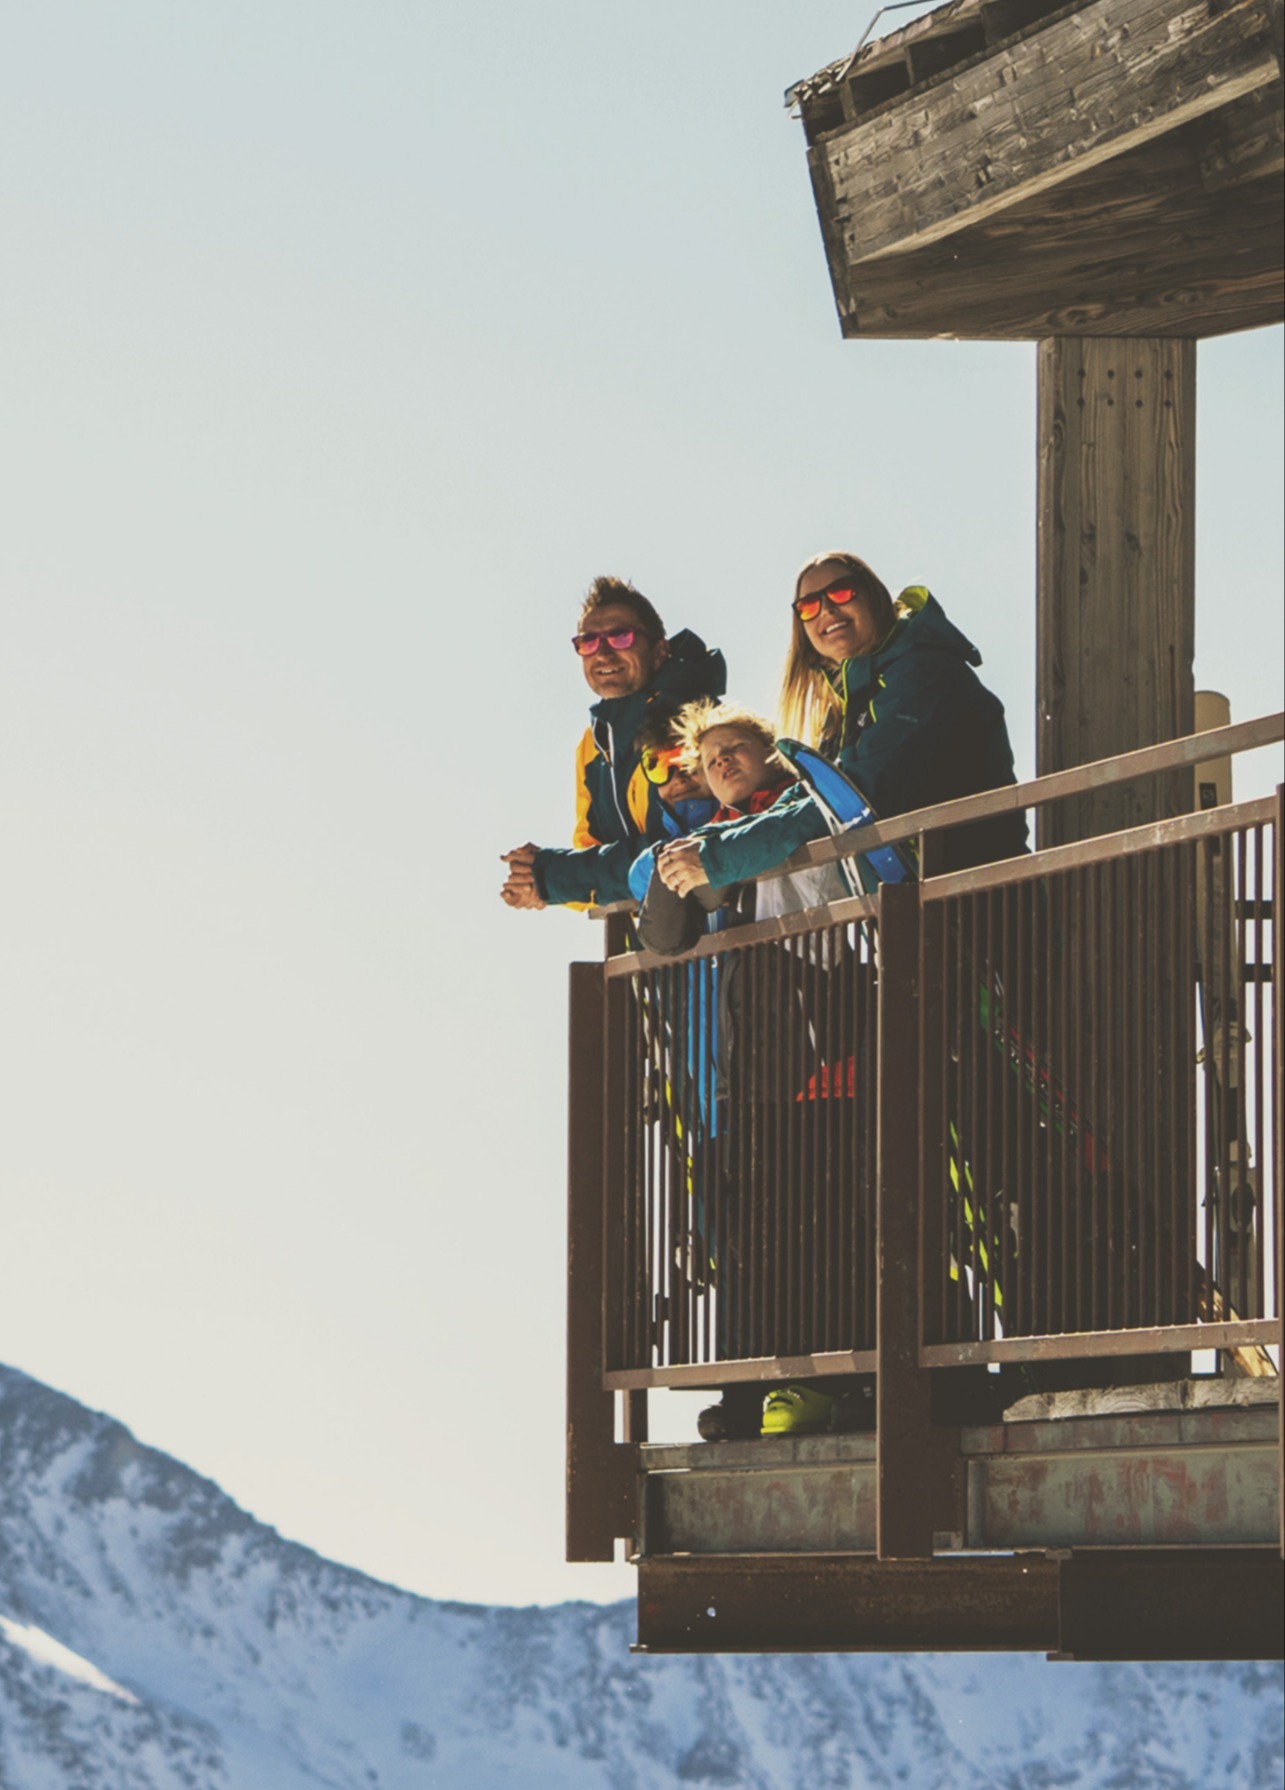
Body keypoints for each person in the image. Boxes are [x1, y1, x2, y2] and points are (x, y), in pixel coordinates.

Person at [639, 699, 851, 1442]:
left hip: (821, 1048)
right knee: (746, 1236)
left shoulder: (803, 807)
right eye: (709, 758)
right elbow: (663, 936)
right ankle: (745, 1393)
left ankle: (816, 1387)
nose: (721, 762)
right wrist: (678, 865)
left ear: (770, 754)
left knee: (818, 1229)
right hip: (745, 1070)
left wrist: (708, 860)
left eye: (736, 748)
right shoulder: (713, 840)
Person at [656, 554, 1025, 903]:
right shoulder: (848, 708)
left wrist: (717, 858)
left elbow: (855, 799)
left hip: (987, 896)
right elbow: (810, 798)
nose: (828, 609)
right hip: (923, 903)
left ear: (874, 596)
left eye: (841, 591)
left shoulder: (921, 673)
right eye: (809, 605)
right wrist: (710, 839)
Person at [500, 577, 725, 912]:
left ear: (659, 650)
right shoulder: (593, 746)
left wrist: (554, 877)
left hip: (721, 932)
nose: (602, 652)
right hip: (646, 950)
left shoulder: (693, 721)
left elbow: (680, 852)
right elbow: (590, 857)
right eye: (588, 641)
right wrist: (540, 882)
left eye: (621, 637)